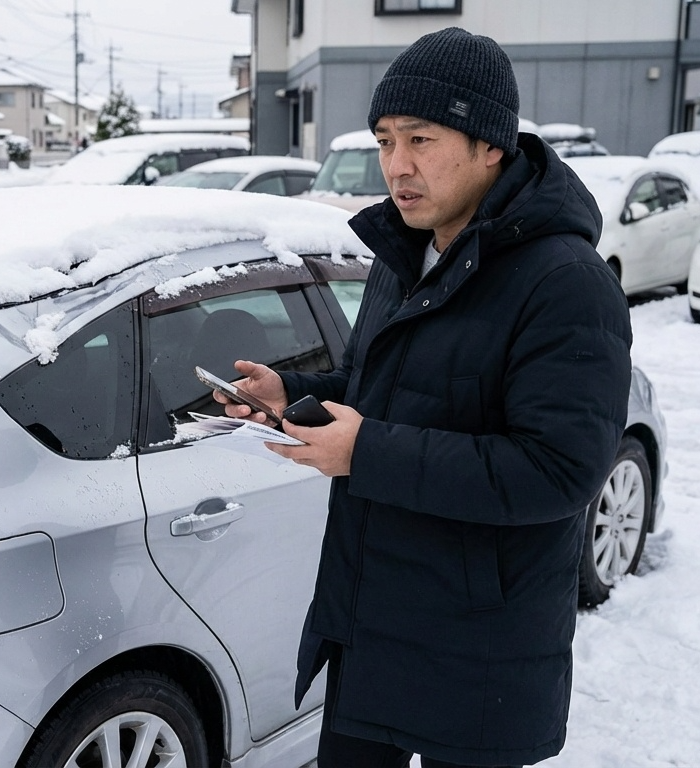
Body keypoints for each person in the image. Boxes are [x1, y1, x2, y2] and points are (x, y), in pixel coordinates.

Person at [217, 27, 632, 768]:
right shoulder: (409, 253)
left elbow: (558, 471)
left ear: (490, 145)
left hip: (478, 656)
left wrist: (366, 452)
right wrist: (297, 395)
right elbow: (381, 392)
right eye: (383, 141)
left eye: (421, 139)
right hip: (373, 626)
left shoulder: (565, 283)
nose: (396, 167)